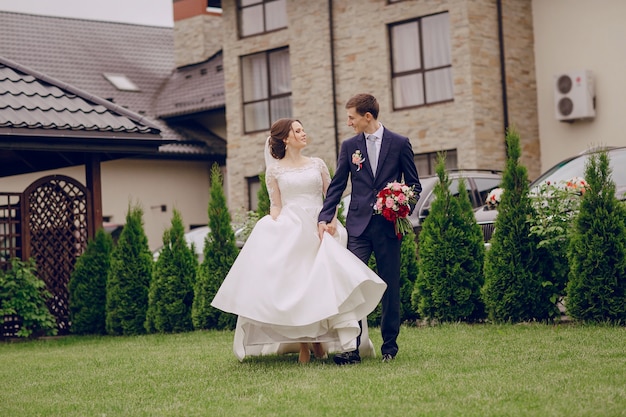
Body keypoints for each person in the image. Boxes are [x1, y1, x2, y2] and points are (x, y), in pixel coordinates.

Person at [211, 118, 387, 363]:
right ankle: (305, 344)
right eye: (298, 130)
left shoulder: (317, 164)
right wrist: (271, 227)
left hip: (320, 226)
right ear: (285, 138)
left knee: (322, 283)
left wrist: (332, 220)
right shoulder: (275, 170)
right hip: (292, 227)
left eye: (303, 129)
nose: (304, 133)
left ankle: (329, 341)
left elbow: (331, 195)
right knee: (297, 284)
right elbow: (276, 206)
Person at [318, 93, 421, 365]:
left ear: (367, 116)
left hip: (388, 227)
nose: (349, 123)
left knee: (389, 286)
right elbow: (338, 184)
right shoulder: (349, 146)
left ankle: (390, 348)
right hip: (358, 227)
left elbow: (414, 186)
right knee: (353, 286)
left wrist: (400, 203)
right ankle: (352, 348)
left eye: (352, 117)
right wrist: (325, 216)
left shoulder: (399, 144)